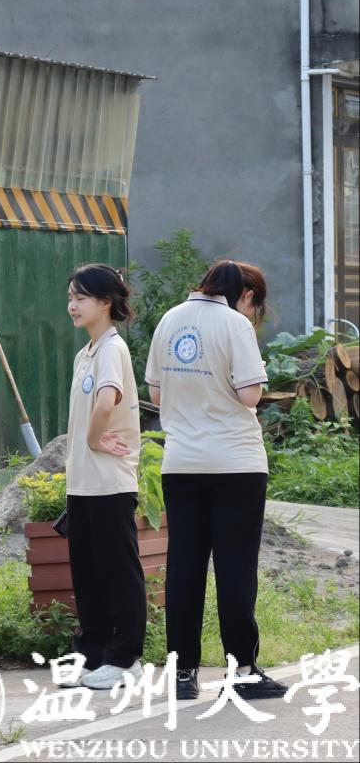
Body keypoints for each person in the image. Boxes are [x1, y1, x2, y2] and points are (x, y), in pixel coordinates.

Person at [146, 260, 287, 701]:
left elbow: (155, 393)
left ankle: (183, 673)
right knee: (235, 569)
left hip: (181, 463)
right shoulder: (234, 324)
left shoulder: (170, 320)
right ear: (248, 295)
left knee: (184, 567)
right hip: (235, 464)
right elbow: (250, 394)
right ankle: (242, 670)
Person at [64, 264, 145, 690]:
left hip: (110, 481)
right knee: (89, 576)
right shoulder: (87, 353)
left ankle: (125, 659)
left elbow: (106, 402)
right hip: (83, 482)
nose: (72, 305)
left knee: (117, 573)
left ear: (105, 302)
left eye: (80, 297)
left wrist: (95, 440)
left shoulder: (113, 349)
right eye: (70, 298)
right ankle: (94, 657)